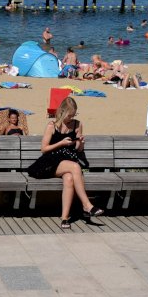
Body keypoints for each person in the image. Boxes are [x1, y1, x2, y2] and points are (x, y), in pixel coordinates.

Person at [26, 97, 104, 230]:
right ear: (62, 112)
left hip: (66, 161)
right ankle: (87, 205)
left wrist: (80, 143)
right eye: (69, 115)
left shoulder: (77, 124)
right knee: (75, 167)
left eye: (74, 115)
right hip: (49, 162)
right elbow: (44, 149)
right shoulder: (52, 126)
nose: (71, 118)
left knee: (69, 178)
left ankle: (64, 218)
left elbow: (78, 150)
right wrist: (61, 143)